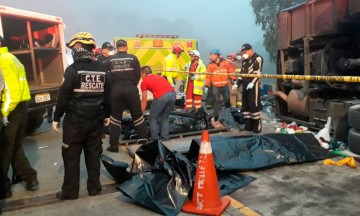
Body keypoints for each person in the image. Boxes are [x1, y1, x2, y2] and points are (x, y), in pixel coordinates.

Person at [52, 32, 111, 200]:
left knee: (71, 155)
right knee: (93, 154)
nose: (73, 50)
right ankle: (94, 187)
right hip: (96, 121)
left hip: (75, 122)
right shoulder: (102, 70)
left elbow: (63, 97)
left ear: (79, 48)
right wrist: (107, 114)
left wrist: (56, 117)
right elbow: (108, 95)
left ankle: (70, 192)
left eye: (74, 47)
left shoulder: (72, 70)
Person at [0, 36, 39, 199]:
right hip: (21, 108)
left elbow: (12, 91)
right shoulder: (12, 58)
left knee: (4, 149)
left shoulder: (3, 60)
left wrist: (4, 112)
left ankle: (4, 188)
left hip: (12, 109)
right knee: (14, 146)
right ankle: (29, 177)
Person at [105, 39, 149, 152]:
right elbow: (137, 76)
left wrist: (114, 86)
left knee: (115, 117)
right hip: (131, 89)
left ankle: (114, 146)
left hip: (116, 89)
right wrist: (131, 85)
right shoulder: (133, 58)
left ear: (116, 47)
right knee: (137, 115)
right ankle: (144, 141)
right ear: (126, 47)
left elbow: (107, 76)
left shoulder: (110, 59)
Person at [140, 66, 176, 141]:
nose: (141, 77)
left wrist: (141, 113)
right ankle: (165, 137)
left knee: (152, 118)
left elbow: (144, 100)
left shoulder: (144, 82)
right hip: (173, 95)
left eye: (141, 75)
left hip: (162, 96)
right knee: (164, 117)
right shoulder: (158, 77)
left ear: (143, 73)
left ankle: (155, 140)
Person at [205, 49, 236, 128]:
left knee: (227, 102)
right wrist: (207, 85)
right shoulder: (210, 65)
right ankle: (215, 118)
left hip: (224, 86)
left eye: (212, 55)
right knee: (217, 103)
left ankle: (228, 117)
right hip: (215, 87)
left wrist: (234, 79)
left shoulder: (225, 62)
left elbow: (230, 71)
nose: (210, 57)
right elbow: (208, 76)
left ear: (217, 55)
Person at [238, 43, 263, 133]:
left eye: (244, 52)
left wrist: (252, 83)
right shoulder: (244, 61)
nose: (243, 54)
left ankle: (257, 125)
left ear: (249, 50)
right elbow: (241, 74)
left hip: (253, 86)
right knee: (245, 106)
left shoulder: (258, 58)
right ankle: (248, 125)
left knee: (253, 106)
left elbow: (258, 74)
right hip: (245, 86)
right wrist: (237, 84)